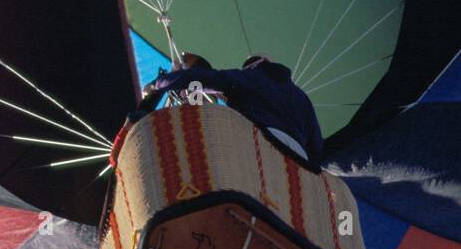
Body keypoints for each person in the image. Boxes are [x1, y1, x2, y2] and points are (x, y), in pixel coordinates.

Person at [139, 53, 324, 168]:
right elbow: (316, 146)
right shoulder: (302, 97)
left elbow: (200, 78)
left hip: (263, 145)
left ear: (253, 65)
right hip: (299, 162)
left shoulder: (249, 77)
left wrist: (157, 84)